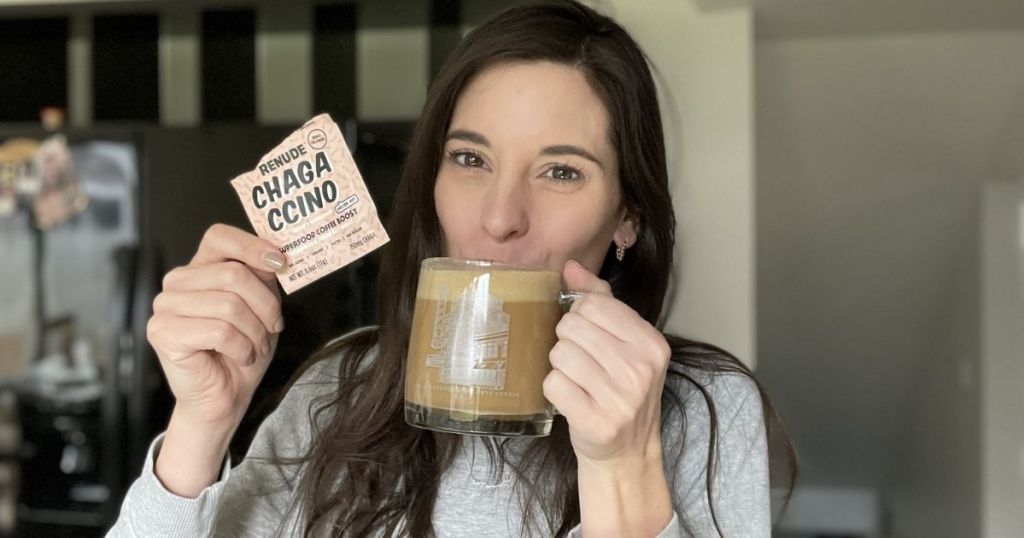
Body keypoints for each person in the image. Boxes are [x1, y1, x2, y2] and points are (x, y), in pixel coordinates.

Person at [108, 1, 795, 536]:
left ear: (627, 219)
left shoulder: (701, 409)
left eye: (561, 171)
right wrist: (201, 425)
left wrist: (622, 468)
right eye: (470, 159)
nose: (501, 217)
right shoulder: (337, 385)